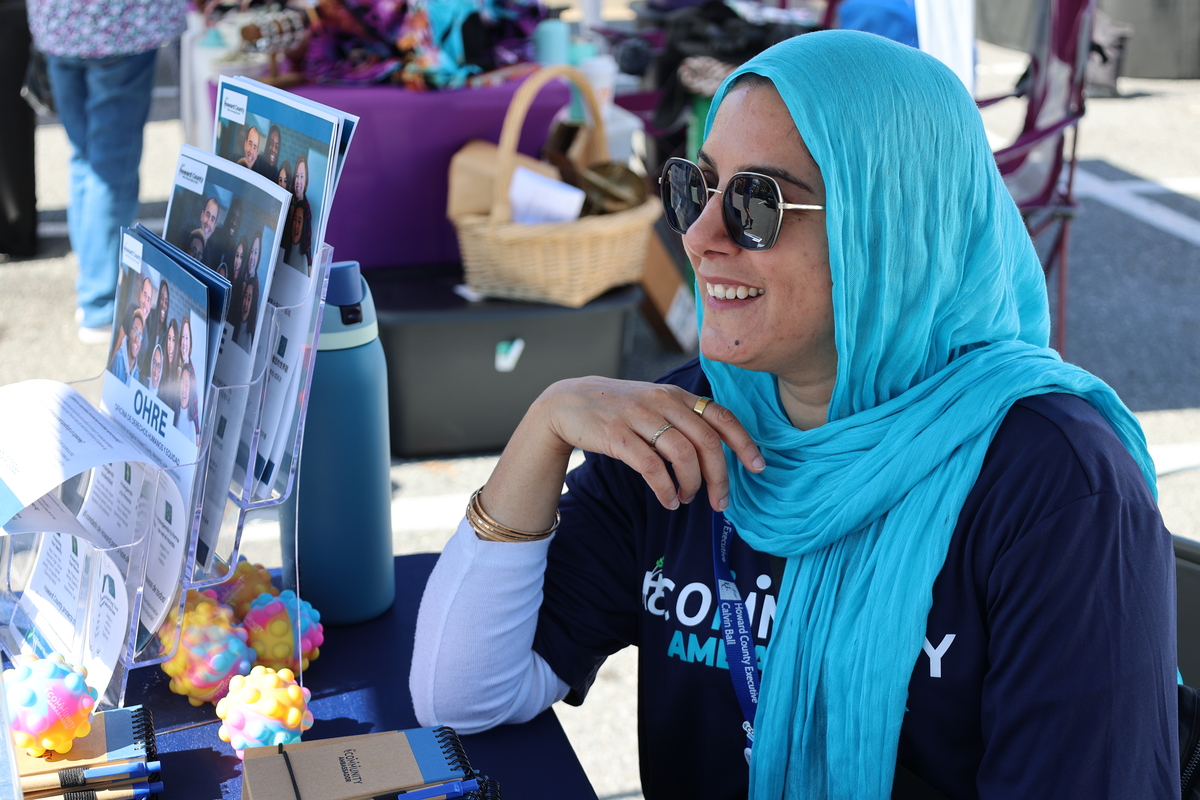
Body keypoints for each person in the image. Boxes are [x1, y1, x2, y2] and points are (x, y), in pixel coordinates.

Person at [410, 32, 1177, 799]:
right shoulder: (684, 425)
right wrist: (544, 425)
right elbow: (464, 696)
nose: (700, 236)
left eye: (756, 204)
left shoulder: (1054, 485)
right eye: (696, 187)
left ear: (888, 227)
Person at [26, 0, 185, 342]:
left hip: (58, 23)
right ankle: (99, 301)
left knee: (87, 158)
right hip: (117, 27)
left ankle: (93, 287)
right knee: (109, 167)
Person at [288, 154, 312, 266]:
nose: (298, 181)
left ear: (306, 181)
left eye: (302, 177)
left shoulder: (306, 210)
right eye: (296, 176)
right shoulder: (289, 199)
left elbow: (307, 245)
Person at [142, 279, 169, 376]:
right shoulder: (149, 317)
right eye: (161, 299)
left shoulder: (166, 333)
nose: (163, 304)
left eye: (166, 302)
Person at [109, 309, 143, 384]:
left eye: (140, 335)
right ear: (130, 332)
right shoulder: (118, 358)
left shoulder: (136, 373)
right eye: (136, 331)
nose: (137, 338)